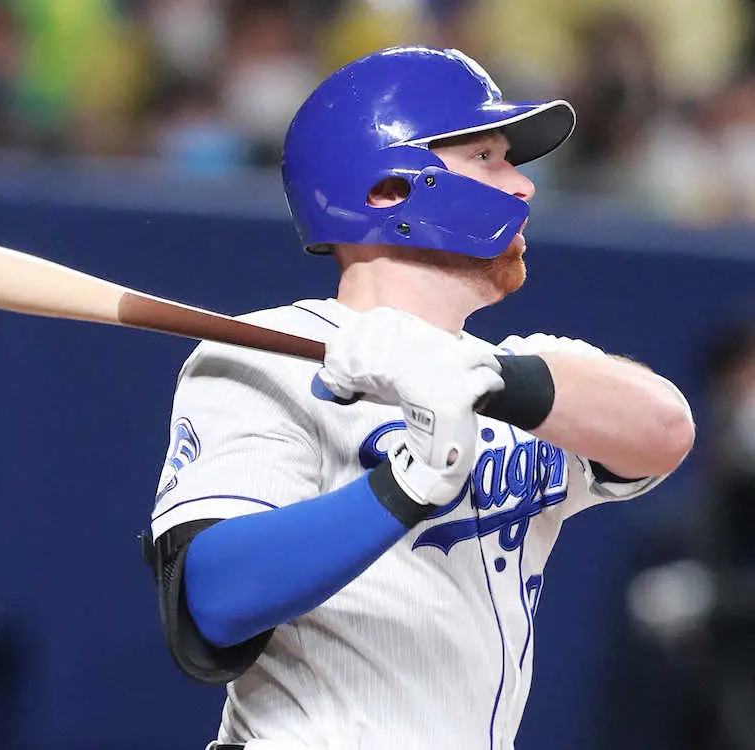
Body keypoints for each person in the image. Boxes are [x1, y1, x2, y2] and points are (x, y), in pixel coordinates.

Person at [143, 47, 695, 750]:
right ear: (388, 191)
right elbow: (212, 601)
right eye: (486, 158)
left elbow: (665, 429)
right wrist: (408, 483)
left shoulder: (513, 370)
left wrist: (481, 376)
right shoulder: (267, 354)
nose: (523, 185)